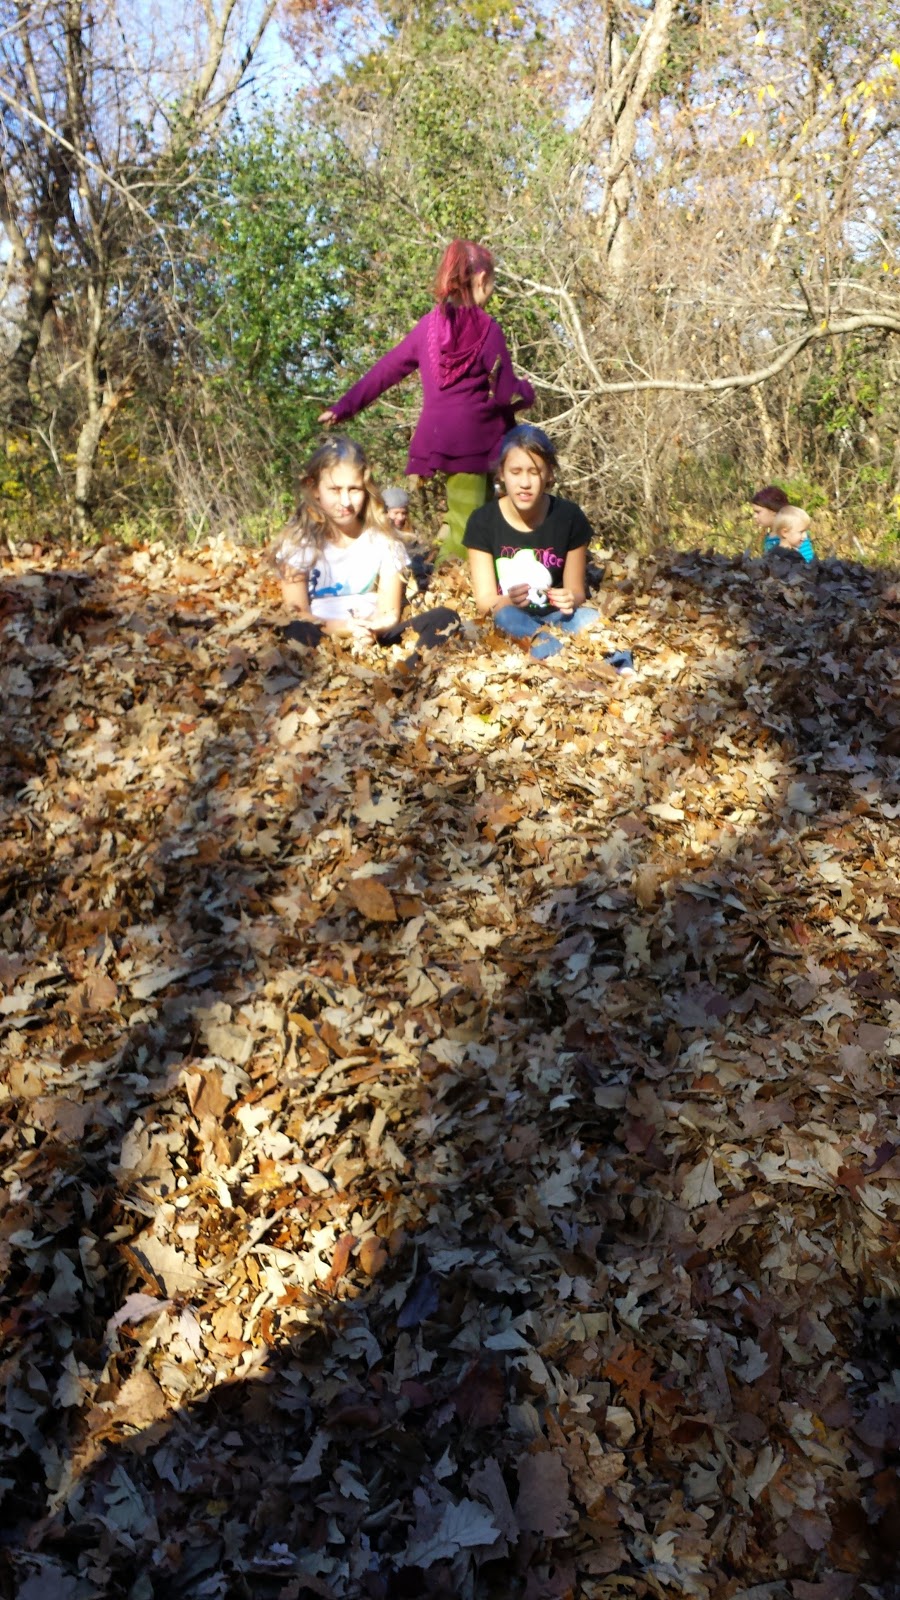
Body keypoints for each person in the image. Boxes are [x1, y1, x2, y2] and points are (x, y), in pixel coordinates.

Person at [317, 240, 534, 558]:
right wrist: (525, 392)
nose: (493, 289)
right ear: (479, 280)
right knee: (468, 527)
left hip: (438, 436)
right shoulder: (489, 330)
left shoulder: (428, 328)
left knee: (474, 515)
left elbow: (386, 370)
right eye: (492, 282)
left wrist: (345, 406)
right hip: (476, 439)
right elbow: (504, 393)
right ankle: (455, 585)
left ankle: (474, 579)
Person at [271, 435, 458, 656]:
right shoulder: (299, 542)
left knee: (445, 618)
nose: (346, 502)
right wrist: (344, 628)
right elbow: (298, 612)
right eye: (334, 489)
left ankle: (406, 679)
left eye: (354, 489)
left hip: (375, 634)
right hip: (321, 634)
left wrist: (371, 628)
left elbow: (389, 613)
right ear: (314, 489)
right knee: (291, 629)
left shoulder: (383, 540)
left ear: (366, 489)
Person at [464, 424, 600, 661]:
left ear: (549, 474)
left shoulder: (569, 517)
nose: (524, 483)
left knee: (591, 619)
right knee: (505, 616)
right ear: (501, 474)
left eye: (534, 472)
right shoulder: (482, 521)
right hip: (511, 616)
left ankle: (621, 666)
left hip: (559, 617)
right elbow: (485, 602)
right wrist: (509, 600)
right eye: (515, 472)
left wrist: (569, 598)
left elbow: (577, 591)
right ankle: (554, 655)